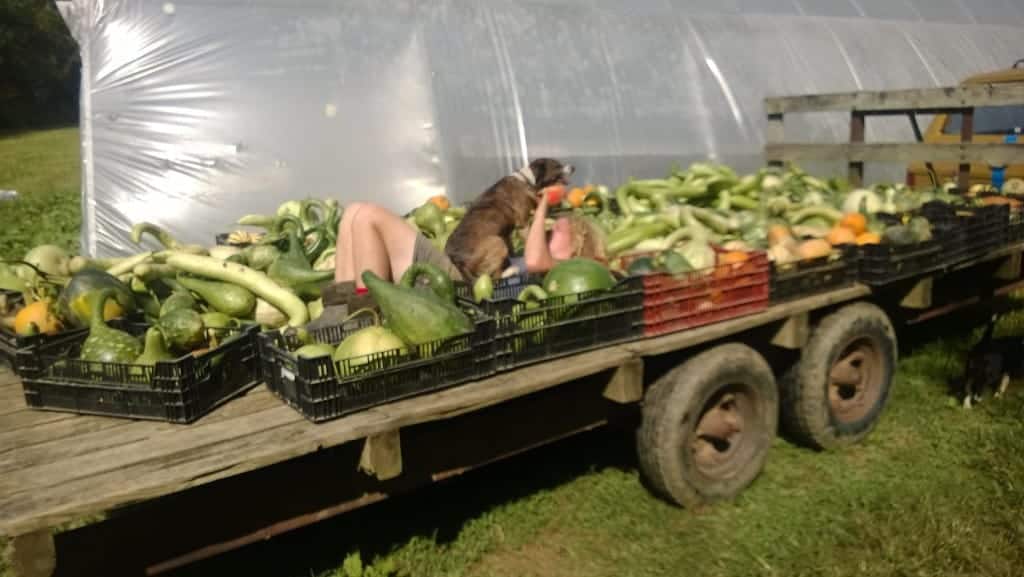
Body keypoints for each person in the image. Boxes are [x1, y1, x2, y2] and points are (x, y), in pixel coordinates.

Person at [333, 193, 603, 288]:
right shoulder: (532, 259)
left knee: (368, 215)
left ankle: (366, 318)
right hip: (456, 273)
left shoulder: (562, 270)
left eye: (555, 230)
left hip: (457, 285)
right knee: (353, 213)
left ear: (579, 244)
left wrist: (543, 201)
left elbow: (534, 260)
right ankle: (343, 312)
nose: (548, 227)